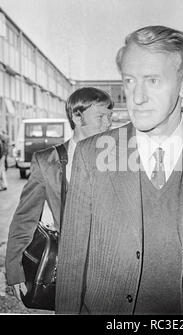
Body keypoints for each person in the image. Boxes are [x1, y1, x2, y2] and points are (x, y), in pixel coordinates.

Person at [56, 26, 183, 315]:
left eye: (153, 80)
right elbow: (72, 260)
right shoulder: (91, 156)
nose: (136, 97)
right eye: (129, 80)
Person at [5, 87, 114, 301]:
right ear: (77, 116)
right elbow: (25, 219)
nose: (108, 123)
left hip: (116, 271)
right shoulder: (47, 161)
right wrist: (14, 269)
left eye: (110, 117)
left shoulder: (121, 158)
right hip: (69, 272)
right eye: (101, 117)